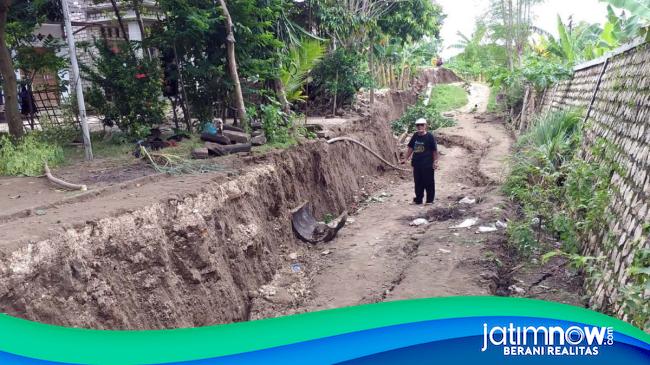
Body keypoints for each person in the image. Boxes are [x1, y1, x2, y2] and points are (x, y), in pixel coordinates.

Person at [401, 118, 439, 205]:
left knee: (429, 182)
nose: (420, 127)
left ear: (426, 126)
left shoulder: (430, 136)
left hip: (427, 164)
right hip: (417, 163)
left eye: (422, 125)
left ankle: (429, 200)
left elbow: (434, 150)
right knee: (418, 182)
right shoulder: (415, 136)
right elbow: (411, 147)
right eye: (418, 125)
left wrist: (435, 161)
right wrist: (406, 158)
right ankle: (418, 199)